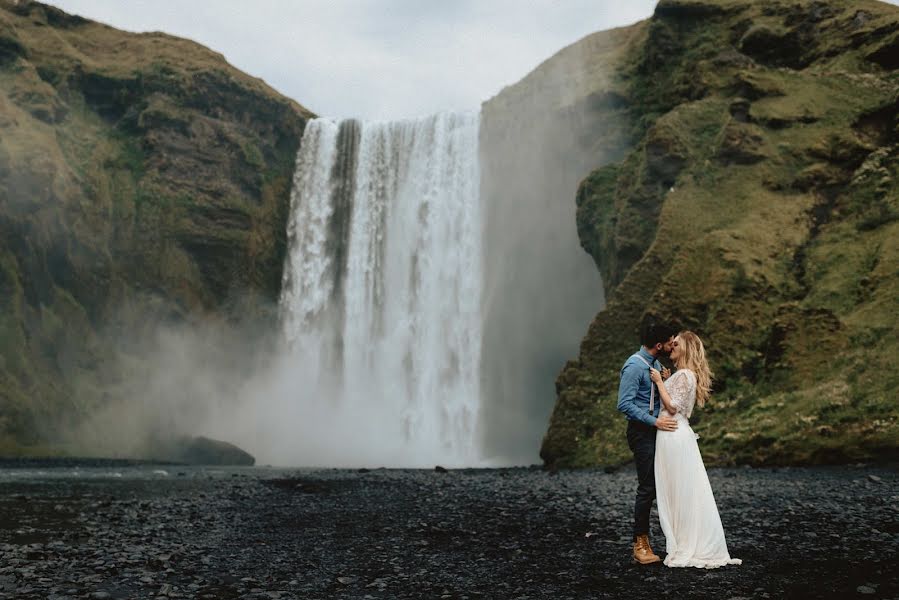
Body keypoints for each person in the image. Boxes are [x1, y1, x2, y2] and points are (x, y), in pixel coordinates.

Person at [649, 331, 741, 568]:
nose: (672, 347)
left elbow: (672, 407)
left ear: (686, 348)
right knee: (680, 489)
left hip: (673, 433)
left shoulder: (686, 375)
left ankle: (687, 543)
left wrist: (660, 381)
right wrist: (668, 379)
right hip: (673, 435)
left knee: (680, 490)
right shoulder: (683, 375)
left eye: (677, 344)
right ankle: (683, 539)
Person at [617, 323, 678, 564]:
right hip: (642, 432)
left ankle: (668, 539)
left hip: (656, 430)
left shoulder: (656, 365)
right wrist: (655, 422)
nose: (673, 344)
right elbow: (624, 404)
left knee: (663, 484)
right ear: (659, 345)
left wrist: (666, 379)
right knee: (648, 486)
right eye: (670, 341)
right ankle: (639, 543)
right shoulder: (633, 366)